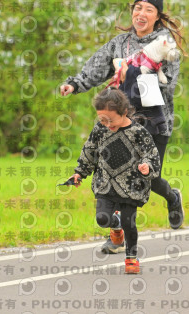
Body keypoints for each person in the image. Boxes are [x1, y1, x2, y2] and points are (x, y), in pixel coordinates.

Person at [59, 0, 185, 255]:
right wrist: (75, 84)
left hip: (154, 122)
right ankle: (117, 235)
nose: (141, 14)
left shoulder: (165, 45)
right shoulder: (120, 43)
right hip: (119, 122)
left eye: (148, 9)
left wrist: (134, 73)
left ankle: (173, 197)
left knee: (148, 177)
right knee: (116, 174)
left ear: (157, 15)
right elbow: (97, 67)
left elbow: (168, 86)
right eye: (138, 8)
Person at [68, 87, 160, 274]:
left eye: (111, 120)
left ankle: (131, 257)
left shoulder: (138, 132)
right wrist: (79, 173)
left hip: (131, 186)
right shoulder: (100, 130)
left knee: (129, 223)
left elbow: (151, 154)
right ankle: (115, 225)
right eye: (103, 120)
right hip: (105, 183)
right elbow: (89, 151)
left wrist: (147, 167)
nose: (107, 124)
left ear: (124, 112)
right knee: (102, 219)